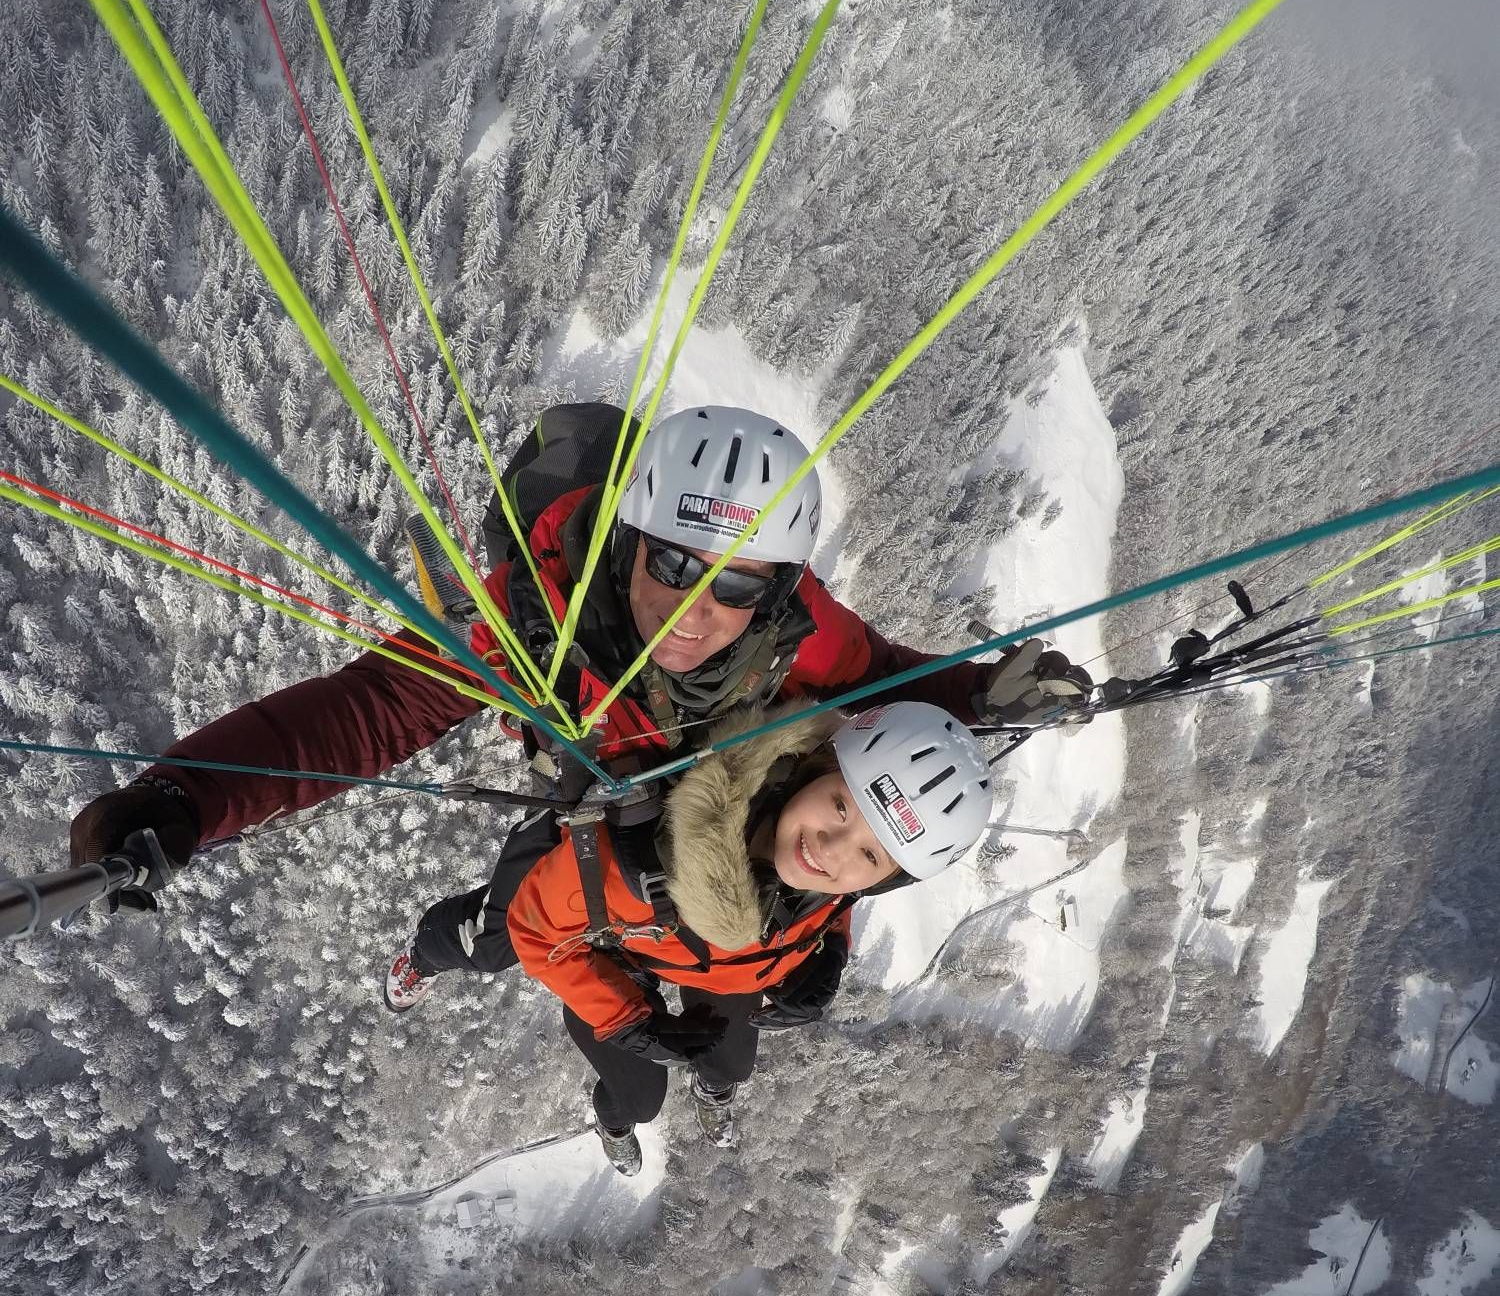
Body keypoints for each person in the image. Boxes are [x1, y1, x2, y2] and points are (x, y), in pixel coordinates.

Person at [67, 403, 1090, 976]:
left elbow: (894, 687)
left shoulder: (807, 639)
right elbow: (366, 710)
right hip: (600, 791)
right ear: (629, 539)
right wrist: (183, 798)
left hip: (733, 807)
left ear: (777, 587)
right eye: (675, 563)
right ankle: (438, 953)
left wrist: (984, 696)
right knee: (512, 925)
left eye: (737, 583)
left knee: (800, 956)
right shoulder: (525, 620)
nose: (696, 606)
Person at [503, 698, 995, 1170]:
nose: (832, 850)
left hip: (731, 974)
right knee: (639, 1097)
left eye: (870, 857)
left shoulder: (830, 881)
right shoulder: (629, 866)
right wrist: (625, 1020)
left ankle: (711, 1091)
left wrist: (831, 950)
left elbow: (839, 898)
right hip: (632, 957)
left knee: (731, 1067)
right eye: (841, 807)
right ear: (814, 765)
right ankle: (616, 1124)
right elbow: (532, 930)